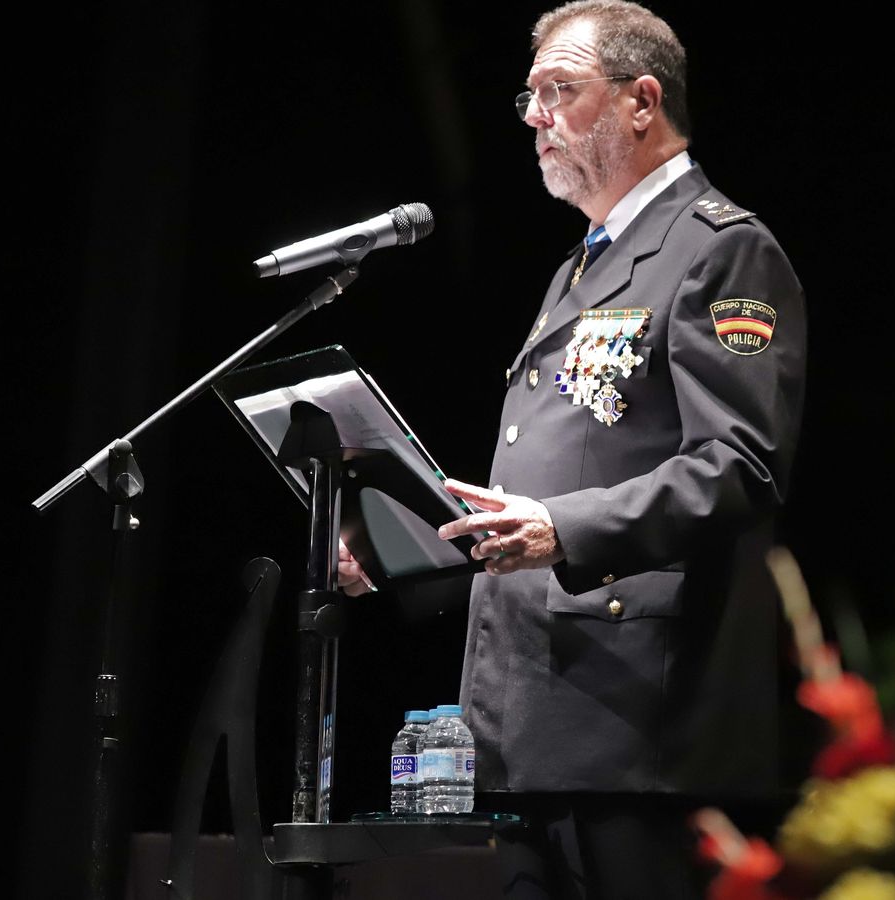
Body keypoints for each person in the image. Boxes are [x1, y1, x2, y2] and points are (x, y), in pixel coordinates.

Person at [344, 3, 806, 895]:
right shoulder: (580, 267)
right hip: (531, 720)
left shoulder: (722, 251)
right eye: (530, 95)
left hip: (639, 728)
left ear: (642, 101)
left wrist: (563, 528)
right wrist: (399, 544)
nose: (534, 116)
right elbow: (553, 475)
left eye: (559, 90)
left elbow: (740, 465)